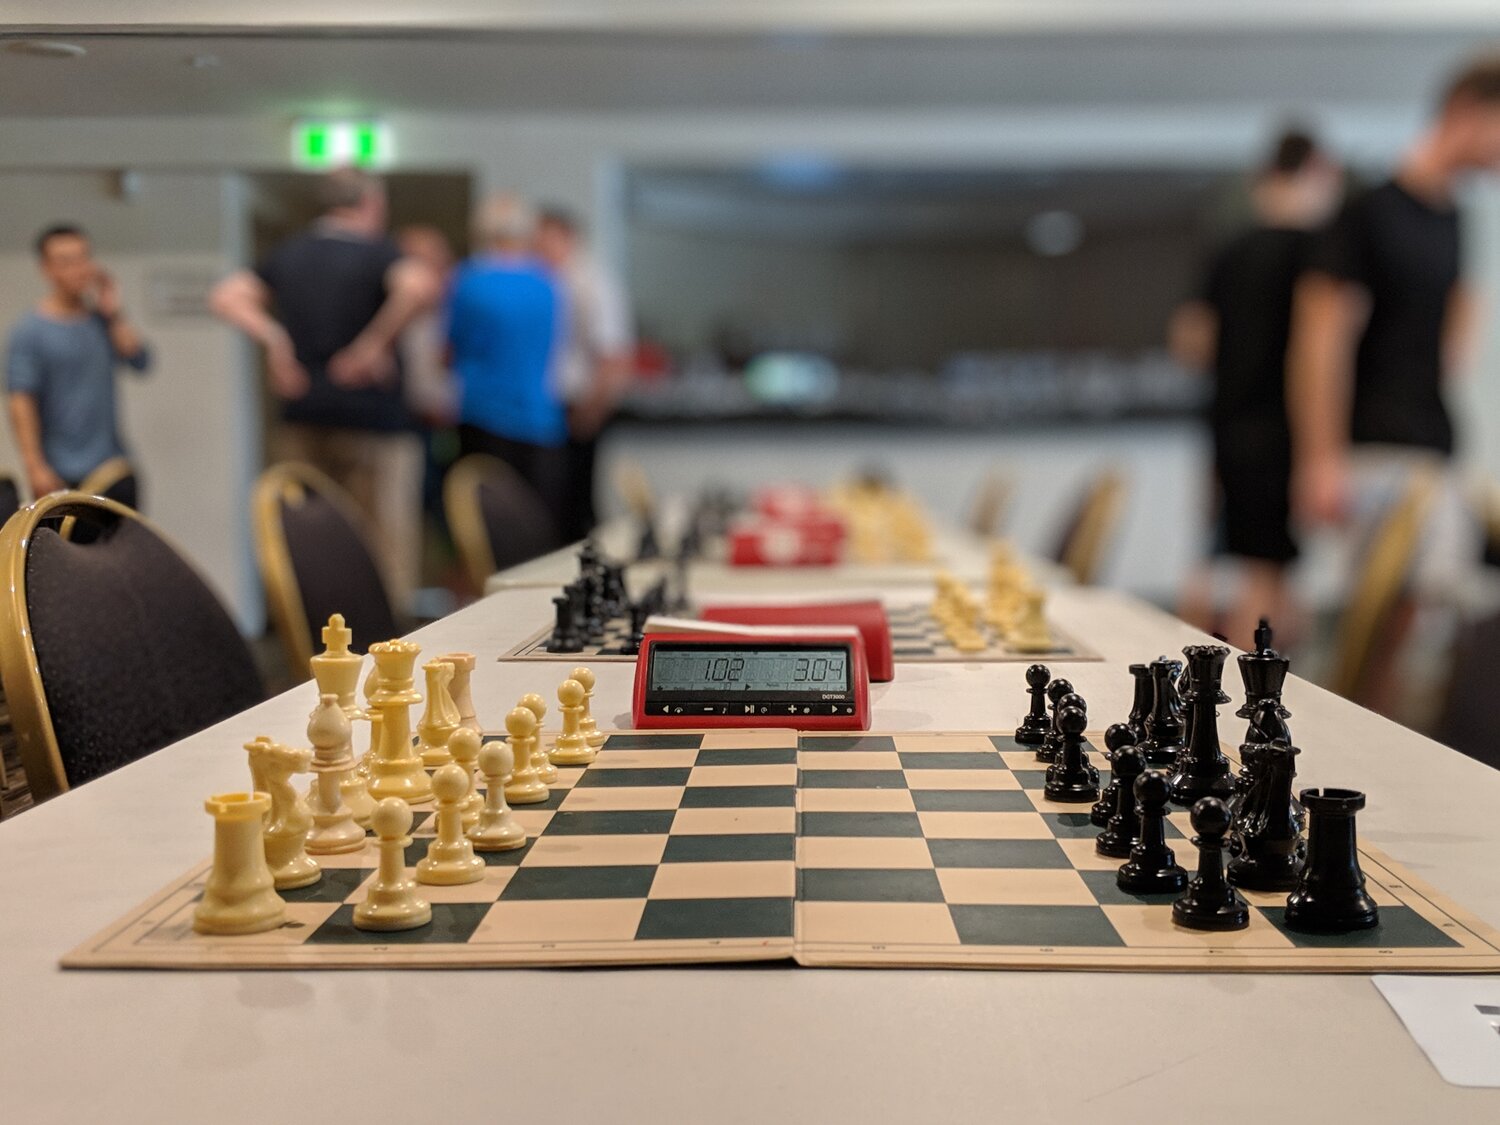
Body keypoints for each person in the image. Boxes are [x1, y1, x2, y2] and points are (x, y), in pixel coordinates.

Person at [1287, 54, 1500, 707]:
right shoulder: (1369, 212)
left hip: (1432, 450)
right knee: (1371, 640)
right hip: (1372, 455)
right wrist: (1319, 459)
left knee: (1422, 637)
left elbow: (1453, 340)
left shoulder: (1454, 218)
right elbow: (1320, 341)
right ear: (1468, 111)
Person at [210, 168, 438, 607]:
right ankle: (384, 656)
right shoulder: (379, 252)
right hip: (374, 423)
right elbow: (419, 287)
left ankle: (317, 650)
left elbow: (225, 296)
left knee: (312, 545)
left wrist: (275, 340)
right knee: (384, 549)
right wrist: (371, 347)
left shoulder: (290, 254)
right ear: (372, 202)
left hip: (304, 415)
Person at [1169, 130, 1341, 649]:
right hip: (1283, 434)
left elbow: (1190, 341)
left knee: (1233, 568)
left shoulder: (1231, 248)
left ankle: (1234, 697)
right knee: (1267, 584)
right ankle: (1247, 710)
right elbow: (1321, 355)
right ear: (1318, 171)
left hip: (1228, 430)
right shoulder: (1319, 253)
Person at [5, 224, 151, 505]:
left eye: (83, 258)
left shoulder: (103, 322)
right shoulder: (29, 331)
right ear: (47, 269)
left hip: (114, 469)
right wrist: (35, 466)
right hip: (62, 473)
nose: (79, 268)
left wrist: (114, 311)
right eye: (66, 261)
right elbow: (21, 401)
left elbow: (140, 361)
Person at [446, 194, 567, 527]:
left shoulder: (469, 280)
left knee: (486, 527)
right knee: (536, 525)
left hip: (484, 416)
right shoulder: (548, 283)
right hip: (540, 419)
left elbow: (450, 346)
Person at [534, 207, 635, 541]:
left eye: (544, 238)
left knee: (573, 504)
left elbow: (612, 356)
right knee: (550, 504)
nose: (537, 247)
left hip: (579, 406)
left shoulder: (590, 283)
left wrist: (590, 413)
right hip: (552, 406)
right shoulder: (547, 281)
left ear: (567, 237)